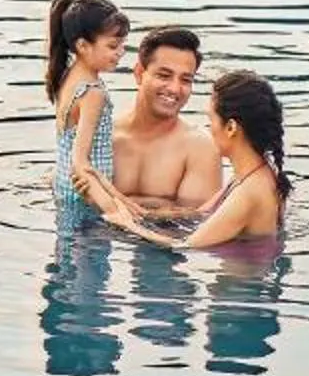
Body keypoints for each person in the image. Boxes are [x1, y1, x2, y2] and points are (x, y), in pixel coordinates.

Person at [81, 67, 289, 252]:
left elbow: (185, 246)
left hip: (240, 292)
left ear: (231, 127)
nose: (209, 128)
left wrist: (127, 225)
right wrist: (109, 194)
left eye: (211, 120)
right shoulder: (252, 174)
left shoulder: (250, 191)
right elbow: (197, 216)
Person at [110, 25, 222, 216]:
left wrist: (112, 202)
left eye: (186, 80)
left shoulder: (200, 148)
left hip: (163, 244)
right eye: (164, 75)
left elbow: (195, 221)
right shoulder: (104, 137)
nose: (175, 89)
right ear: (139, 73)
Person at [45, 0, 128, 223]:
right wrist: (116, 209)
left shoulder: (67, 76)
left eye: (123, 44)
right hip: (86, 201)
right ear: (82, 46)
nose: (121, 51)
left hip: (64, 190)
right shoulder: (93, 92)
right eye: (113, 45)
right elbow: (81, 164)